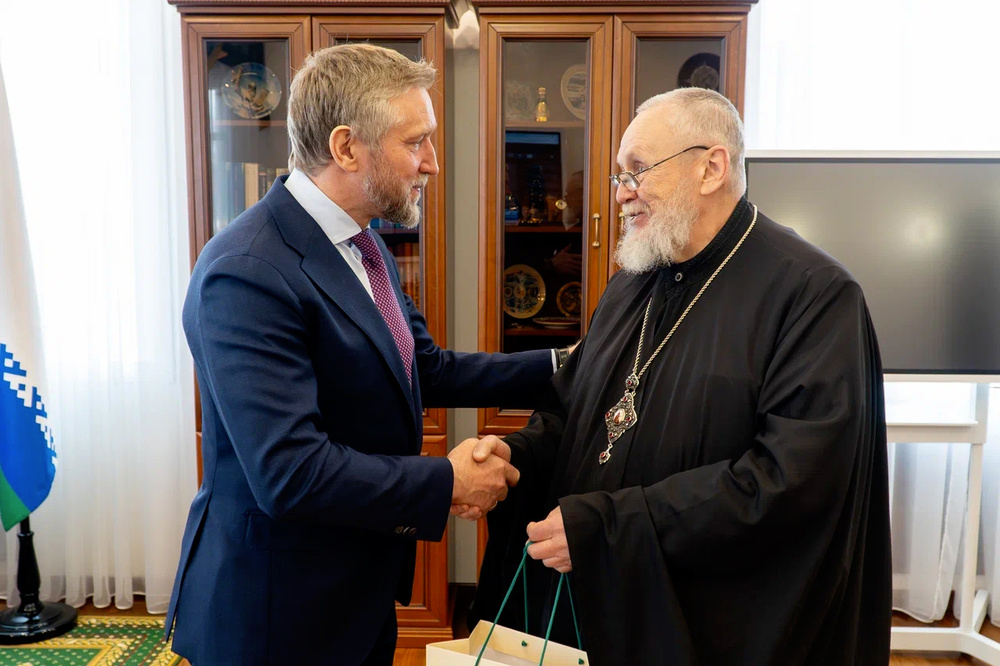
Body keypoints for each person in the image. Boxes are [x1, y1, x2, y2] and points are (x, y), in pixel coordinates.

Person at [166, 43, 569, 665]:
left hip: (356, 587)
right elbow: (291, 472)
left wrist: (563, 367)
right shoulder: (247, 272)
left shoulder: (363, 243)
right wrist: (449, 481)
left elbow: (423, 368)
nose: (432, 164)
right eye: (416, 142)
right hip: (278, 613)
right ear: (347, 146)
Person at [469, 87, 892, 665]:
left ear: (711, 167)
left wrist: (612, 525)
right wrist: (517, 458)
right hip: (595, 597)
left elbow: (794, 480)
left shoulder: (814, 296)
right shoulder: (631, 281)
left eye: (638, 170)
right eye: (620, 174)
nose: (620, 192)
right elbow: (573, 413)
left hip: (703, 623)